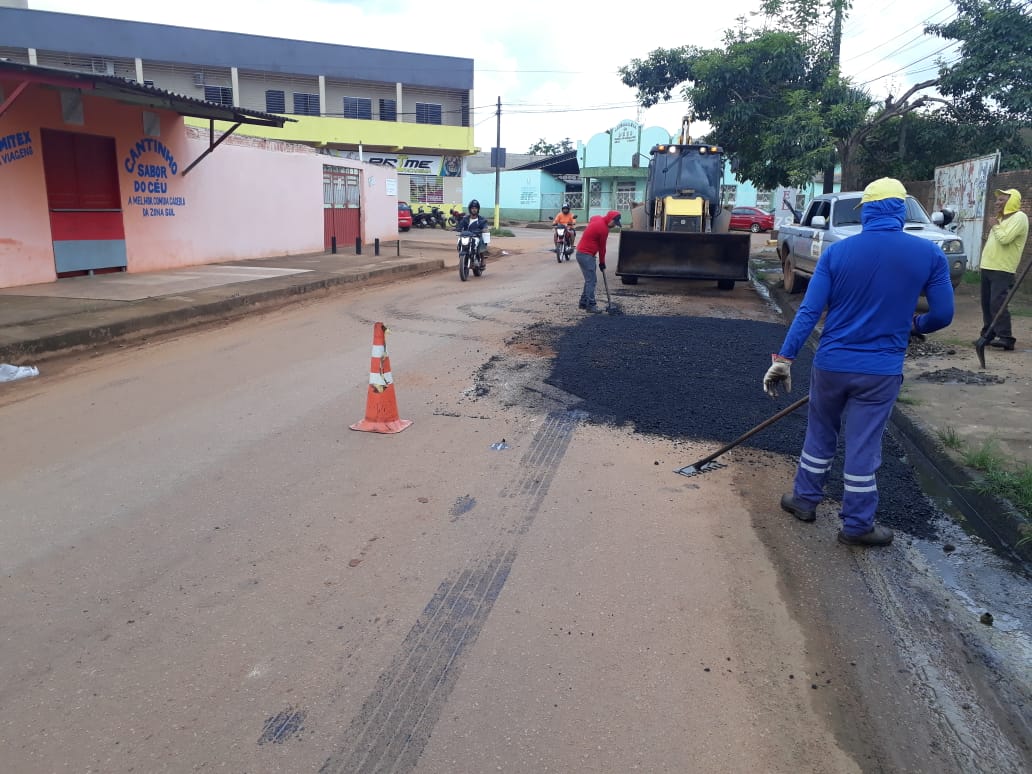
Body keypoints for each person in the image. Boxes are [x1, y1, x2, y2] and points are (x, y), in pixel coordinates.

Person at [763, 178, 954, 547]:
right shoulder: (929, 254)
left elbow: (809, 311)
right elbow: (943, 315)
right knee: (863, 444)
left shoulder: (837, 253)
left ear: (866, 210)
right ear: (901, 209)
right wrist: (915, 324)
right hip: (880, 371)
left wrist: (785, 359)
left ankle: (804, 501)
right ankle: (857, 526)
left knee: (820, 433)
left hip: (832, 364)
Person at [978, 188, 1029, 351]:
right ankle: (988, 334)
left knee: (997, 302)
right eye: (997, 200)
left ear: (1011, 201)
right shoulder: (1000, 220)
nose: (997, 203)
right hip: (988, 266)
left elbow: (1006, 239)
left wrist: (995, 226)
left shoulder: (1020, 217)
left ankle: (1006, 337)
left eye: (1001, 200)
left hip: (1003, 268)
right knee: (986, 303)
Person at [574, 210, 621, 311]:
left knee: (589, 279)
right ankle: (591, 305)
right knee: (592, 280)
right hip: (586, 255)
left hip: (582, 254)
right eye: (614, 223)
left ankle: (583, 302)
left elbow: (592, 218)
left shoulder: (598, 219)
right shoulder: (603, 229)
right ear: (610, 219)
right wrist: (602, 262)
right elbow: (602, 248)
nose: (614, 226)